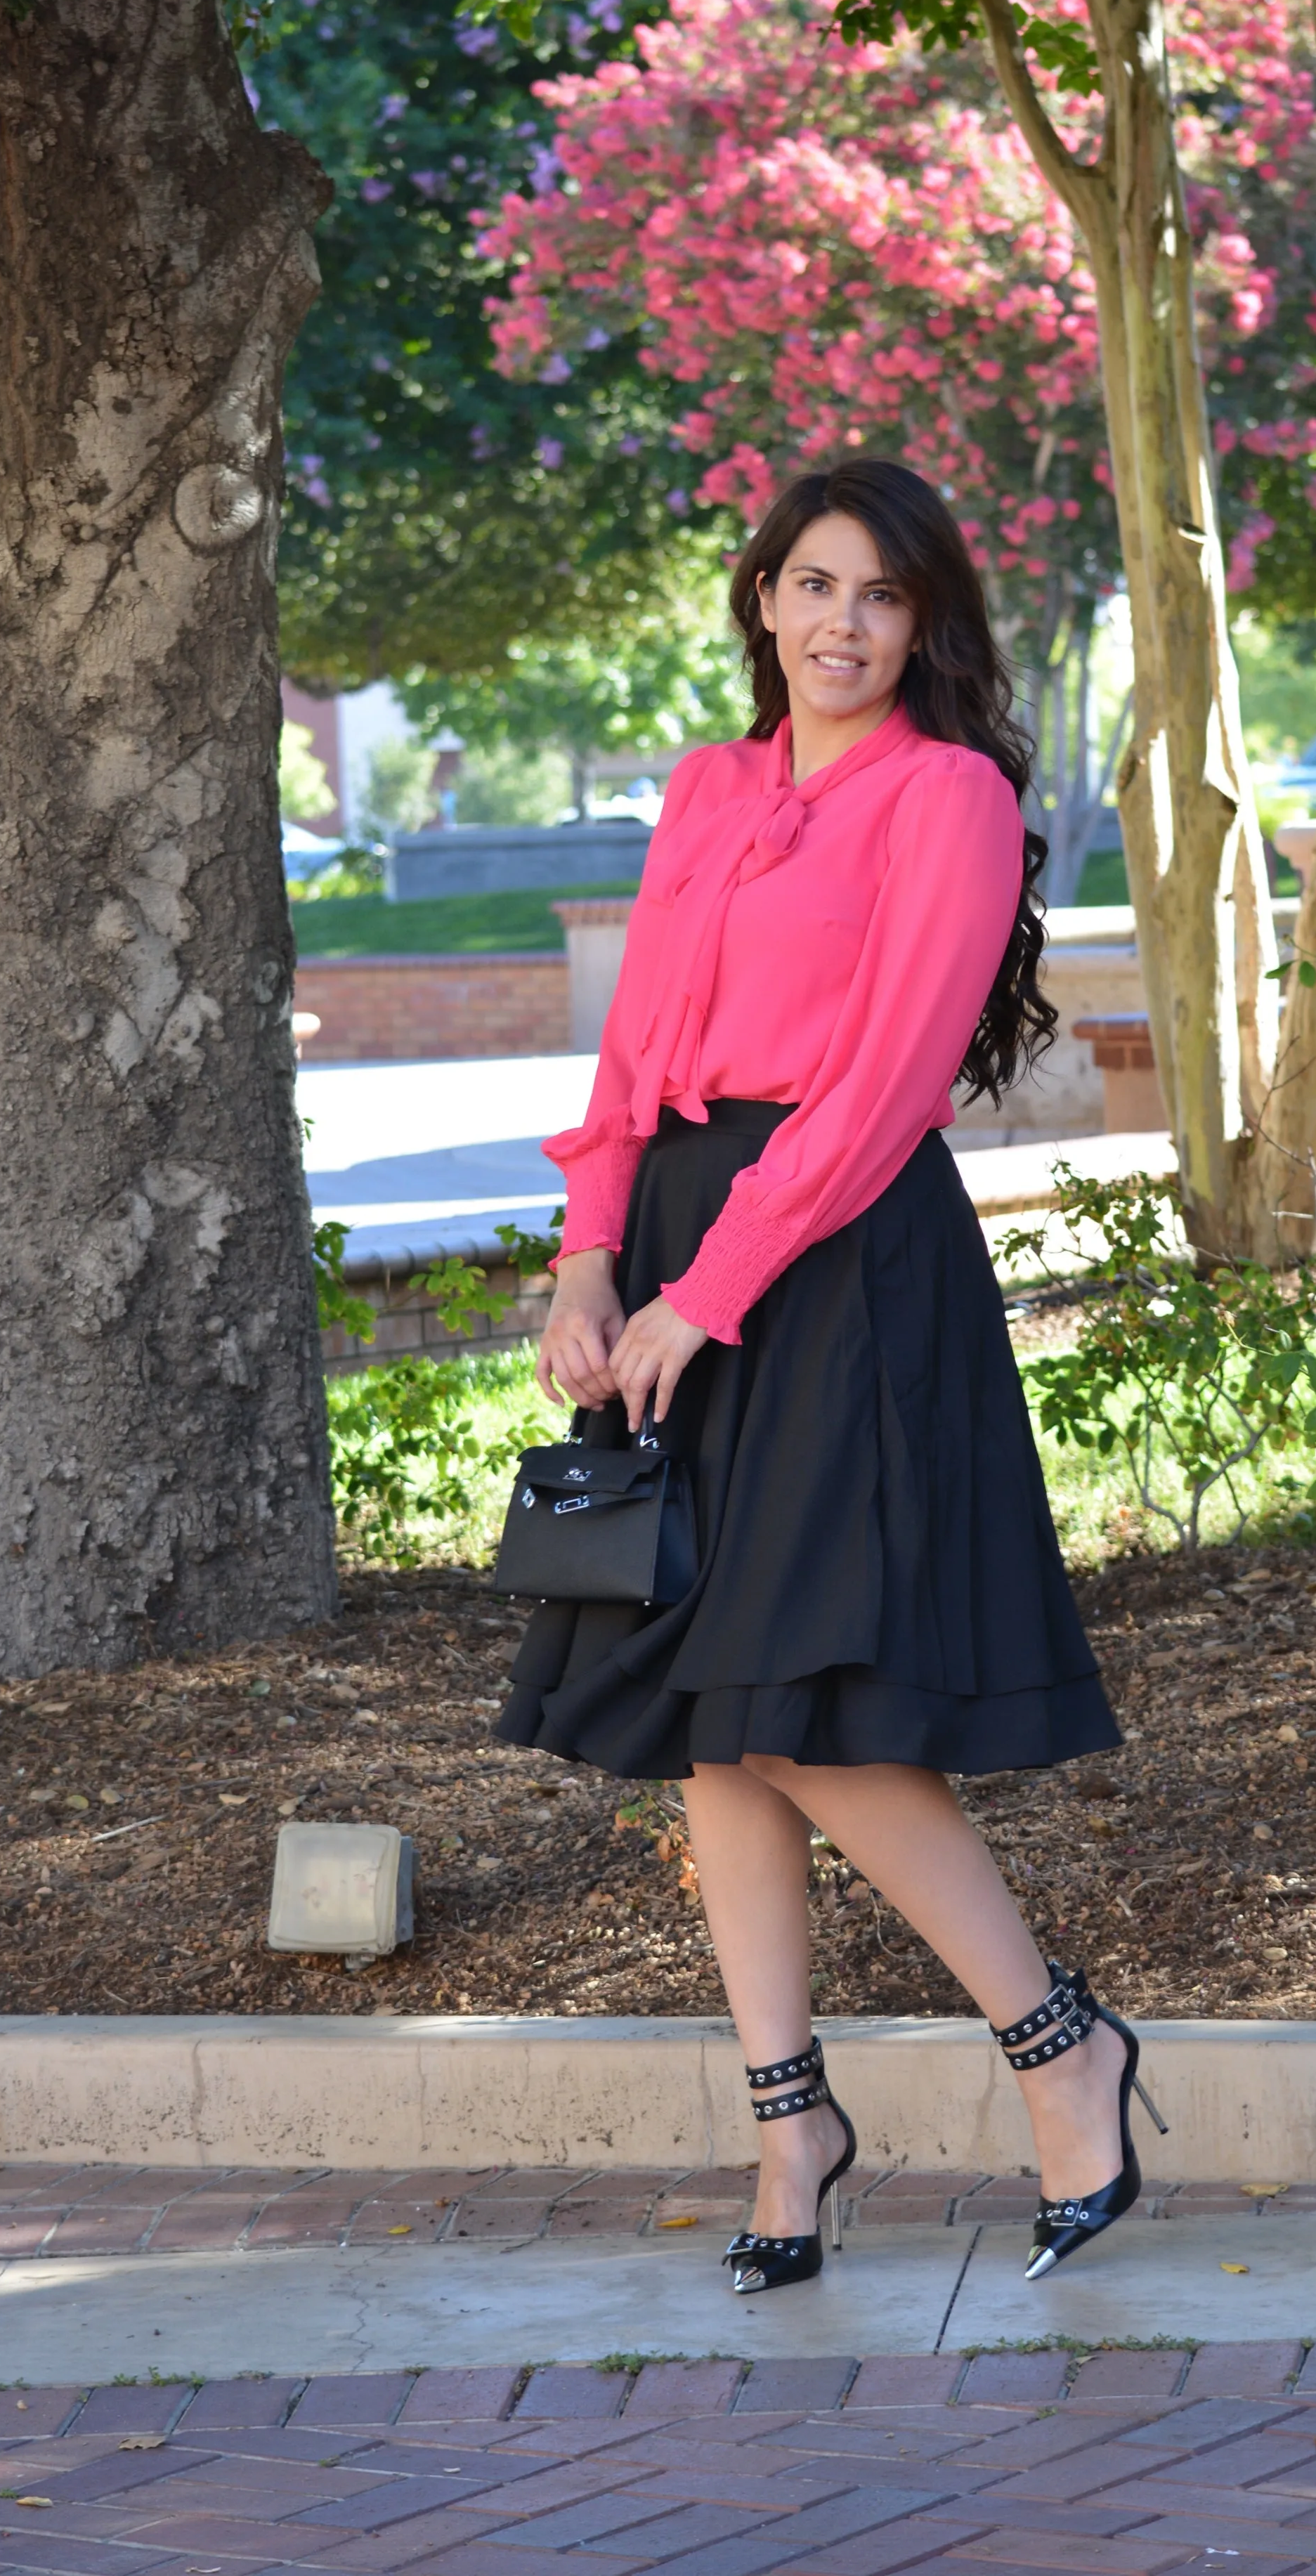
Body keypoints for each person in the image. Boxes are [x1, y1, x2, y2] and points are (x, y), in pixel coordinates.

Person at [499, 457, 1155, 2293]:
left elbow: (878, 1098)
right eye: (812, 585)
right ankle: (791, 2130)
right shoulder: (705, 790)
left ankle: (1060, 2051)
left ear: (924, 621)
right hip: (679, 1255)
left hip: (840, 1263)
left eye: (880, 595)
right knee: (712, 1718)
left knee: (781, 1703)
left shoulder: (946, 801)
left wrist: (702, 1299)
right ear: (763, 599)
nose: (840, 624)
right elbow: (633, 1057)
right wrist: (587, 1260)